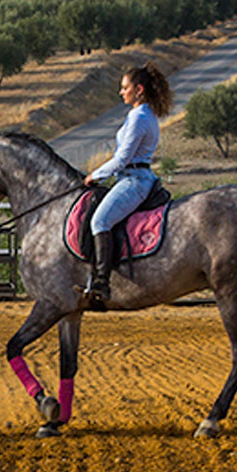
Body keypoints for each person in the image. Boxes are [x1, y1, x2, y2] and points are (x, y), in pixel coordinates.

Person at [83, 61, 173, 309]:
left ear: (139, 89)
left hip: (134, 180)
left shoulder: (139, 117)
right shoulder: (145, 115)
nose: (121, 92)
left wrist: (95, 176)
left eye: (125, 88)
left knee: (99, 222)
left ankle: (102, 281)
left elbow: (123, 158)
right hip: (131, 177)